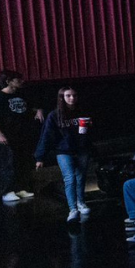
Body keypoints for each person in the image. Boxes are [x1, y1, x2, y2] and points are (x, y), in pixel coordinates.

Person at [34, 87, 92, 222]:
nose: (72, 98)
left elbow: (90, 133)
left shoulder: (82, 112)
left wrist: (90, 127)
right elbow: (46, 136)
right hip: (64, 151)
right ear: (62, 97)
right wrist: (40, 157)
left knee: (81, 177)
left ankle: (81, 202)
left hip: (82, 149)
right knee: (69, 178)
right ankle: (73, 209)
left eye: (74, 95)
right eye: (68, 96)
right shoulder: (54, 115)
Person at [0, 69, 43, 203]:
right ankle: (7, 191)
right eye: (18, 79)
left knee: (21, 161)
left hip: (21, 135)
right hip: (6, 136)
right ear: (9, 81)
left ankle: (20, 188)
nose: (22, 82)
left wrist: (38, 110)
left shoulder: (21, 95)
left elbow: (30, 107)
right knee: (7, 162)